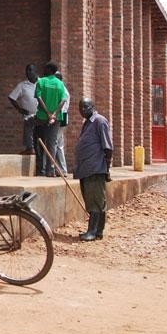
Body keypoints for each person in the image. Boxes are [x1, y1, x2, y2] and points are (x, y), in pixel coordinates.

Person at [73, 97, 113, 242]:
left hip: (95, 168)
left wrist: (106, 168)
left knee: (95, 201)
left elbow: (108, 148)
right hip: (86, 169)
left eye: (86, 107)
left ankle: (92, 231)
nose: (83, 110)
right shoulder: (87, 123)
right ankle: (98, 231)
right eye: (81, 108)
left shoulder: (99, 121)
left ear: (93, 107)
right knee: (93, 200)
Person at [34, 62, 69, 177]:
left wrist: (47, 113)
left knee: (38, 140)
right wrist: (54, 114)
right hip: (56, 118)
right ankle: (50, 170)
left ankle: (40, 168)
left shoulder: (41, 81)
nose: (43, 70)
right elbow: (63, 100)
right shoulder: (60, 84)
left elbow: (39, 97)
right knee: (52, 143)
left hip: (41, 117)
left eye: (45, 68)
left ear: (49, 70)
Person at [8, 64, 38, 157]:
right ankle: (30, 148)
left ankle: (35, 150)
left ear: (35, 71)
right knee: (29, 127)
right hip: (29, 115)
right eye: (27, 70)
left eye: (30, 70)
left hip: (41, 114)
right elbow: (11, 97)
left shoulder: (41, 83)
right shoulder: (22, 85)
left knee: (39, 136)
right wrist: (19, 109)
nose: (28, 72)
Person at [53, 71, 70, 176]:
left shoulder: (62, 90)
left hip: (61, 117)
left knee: (54, 142)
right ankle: (62, 169)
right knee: (59, 144)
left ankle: (54, 168)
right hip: (62, 117)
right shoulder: (63, 89)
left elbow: (62, 107)